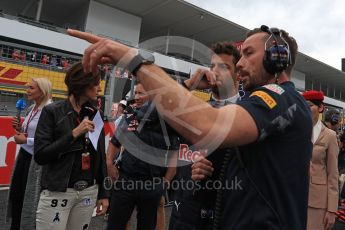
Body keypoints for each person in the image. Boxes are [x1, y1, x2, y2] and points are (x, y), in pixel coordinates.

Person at [68, 24, 312, 229]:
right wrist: (187, 86)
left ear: (278, 58)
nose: (240, 63)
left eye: (248, 53)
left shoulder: (281, 98)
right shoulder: (250, 107)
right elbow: (150, 121)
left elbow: (209, 126)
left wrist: (136, 61)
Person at [169, 41, 241, 230]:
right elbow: (154, 117)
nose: (215, 71)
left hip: (225, 216)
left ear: (238, 75)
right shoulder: (194, 109)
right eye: (212, 66)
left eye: (224, 67)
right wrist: (189, 85)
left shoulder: (249, 114)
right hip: (185, 213)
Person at [34, 62, 109, 230]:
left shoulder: (96, 113)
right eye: (96, 83)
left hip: (88, 193)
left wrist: (104, 193)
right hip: (58, 191)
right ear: (82, 85)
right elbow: (40, 155)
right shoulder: (52, 111)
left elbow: (100, 157)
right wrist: (74, 134)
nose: (99, 87)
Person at [106, 82, 178, 230]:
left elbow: (174, 157)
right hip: (126, 180)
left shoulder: (168, 121)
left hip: (152, 184)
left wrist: (165, 182)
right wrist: (109, 165)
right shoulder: (131, 115)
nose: (136, 97)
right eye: (135, 93)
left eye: (141, 93)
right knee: (115, 225)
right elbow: (115, 142)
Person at [6, 78, 52, 230]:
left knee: (30, 199)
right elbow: (28, 133)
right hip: (24, 157)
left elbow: (50, 139)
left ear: (42, 90)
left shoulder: (50, 110)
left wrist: (25, 140)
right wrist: (19, 128)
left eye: (31, 88)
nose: (27, 91)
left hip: (36, 161)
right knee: (17, 195)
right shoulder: (32, 108)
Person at [302, 90, 339, 230]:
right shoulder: (297, 132)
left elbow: (333, 174)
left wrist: (331, 209)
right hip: (295, 197)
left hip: (317, 202)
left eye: (310, 105)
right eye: (303, 105)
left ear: (320, 107)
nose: (306, 109)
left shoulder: (329, 136)